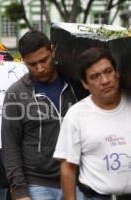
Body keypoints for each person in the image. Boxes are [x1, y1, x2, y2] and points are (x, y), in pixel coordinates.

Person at [1, 29, 78, 200]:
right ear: (23, 62)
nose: (40, 68)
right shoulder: (15, 94)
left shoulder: (75, 85)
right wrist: (20, 192)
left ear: (52, 51)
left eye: (44, 60)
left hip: (77, 181)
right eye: (32, 64)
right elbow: (10, 146)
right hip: (37, 185)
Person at [53, 47, 131, 200]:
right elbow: (68, 168)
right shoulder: (76, 115)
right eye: (95, 76)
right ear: (85, 84)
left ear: (117, 73)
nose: (105, 80)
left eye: (108, 71)